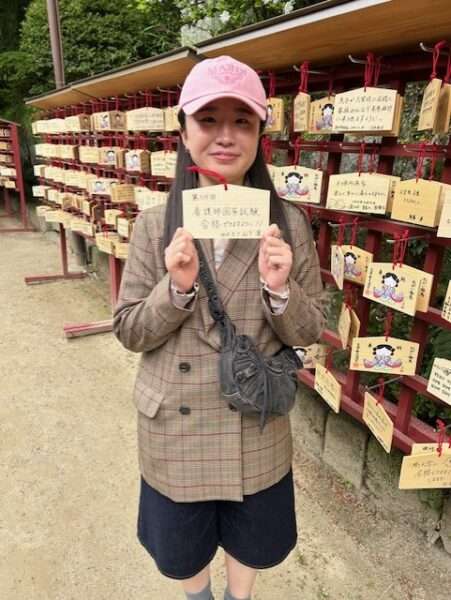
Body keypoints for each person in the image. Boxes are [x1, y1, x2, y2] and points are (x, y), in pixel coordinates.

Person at [113, 55, 326, 600]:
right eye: (209, 120)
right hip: (175, 426)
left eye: (242, 121)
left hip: (253, 419)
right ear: (184, 132)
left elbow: (310, 330)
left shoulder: (288, 223)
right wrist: (176, 289)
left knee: (251, 537)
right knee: (182, 545)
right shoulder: (155, 224)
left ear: (259, 136)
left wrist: (280, 289)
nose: (226, 136)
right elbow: (129, 330)